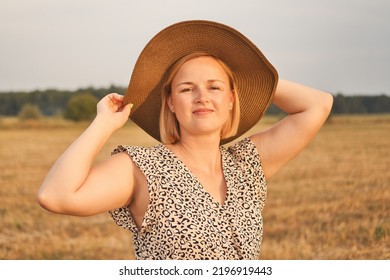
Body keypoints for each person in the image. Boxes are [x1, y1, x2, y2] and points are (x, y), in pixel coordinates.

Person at [37, 20, 333, 260]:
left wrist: (253, 72)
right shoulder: (141, 169)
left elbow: (317, 105)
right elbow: (55, 196)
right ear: (170, 102)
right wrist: (103, 124)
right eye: (187, 89)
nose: (202, 97)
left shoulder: (247, 165)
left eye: (215, 87)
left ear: (232, 98)